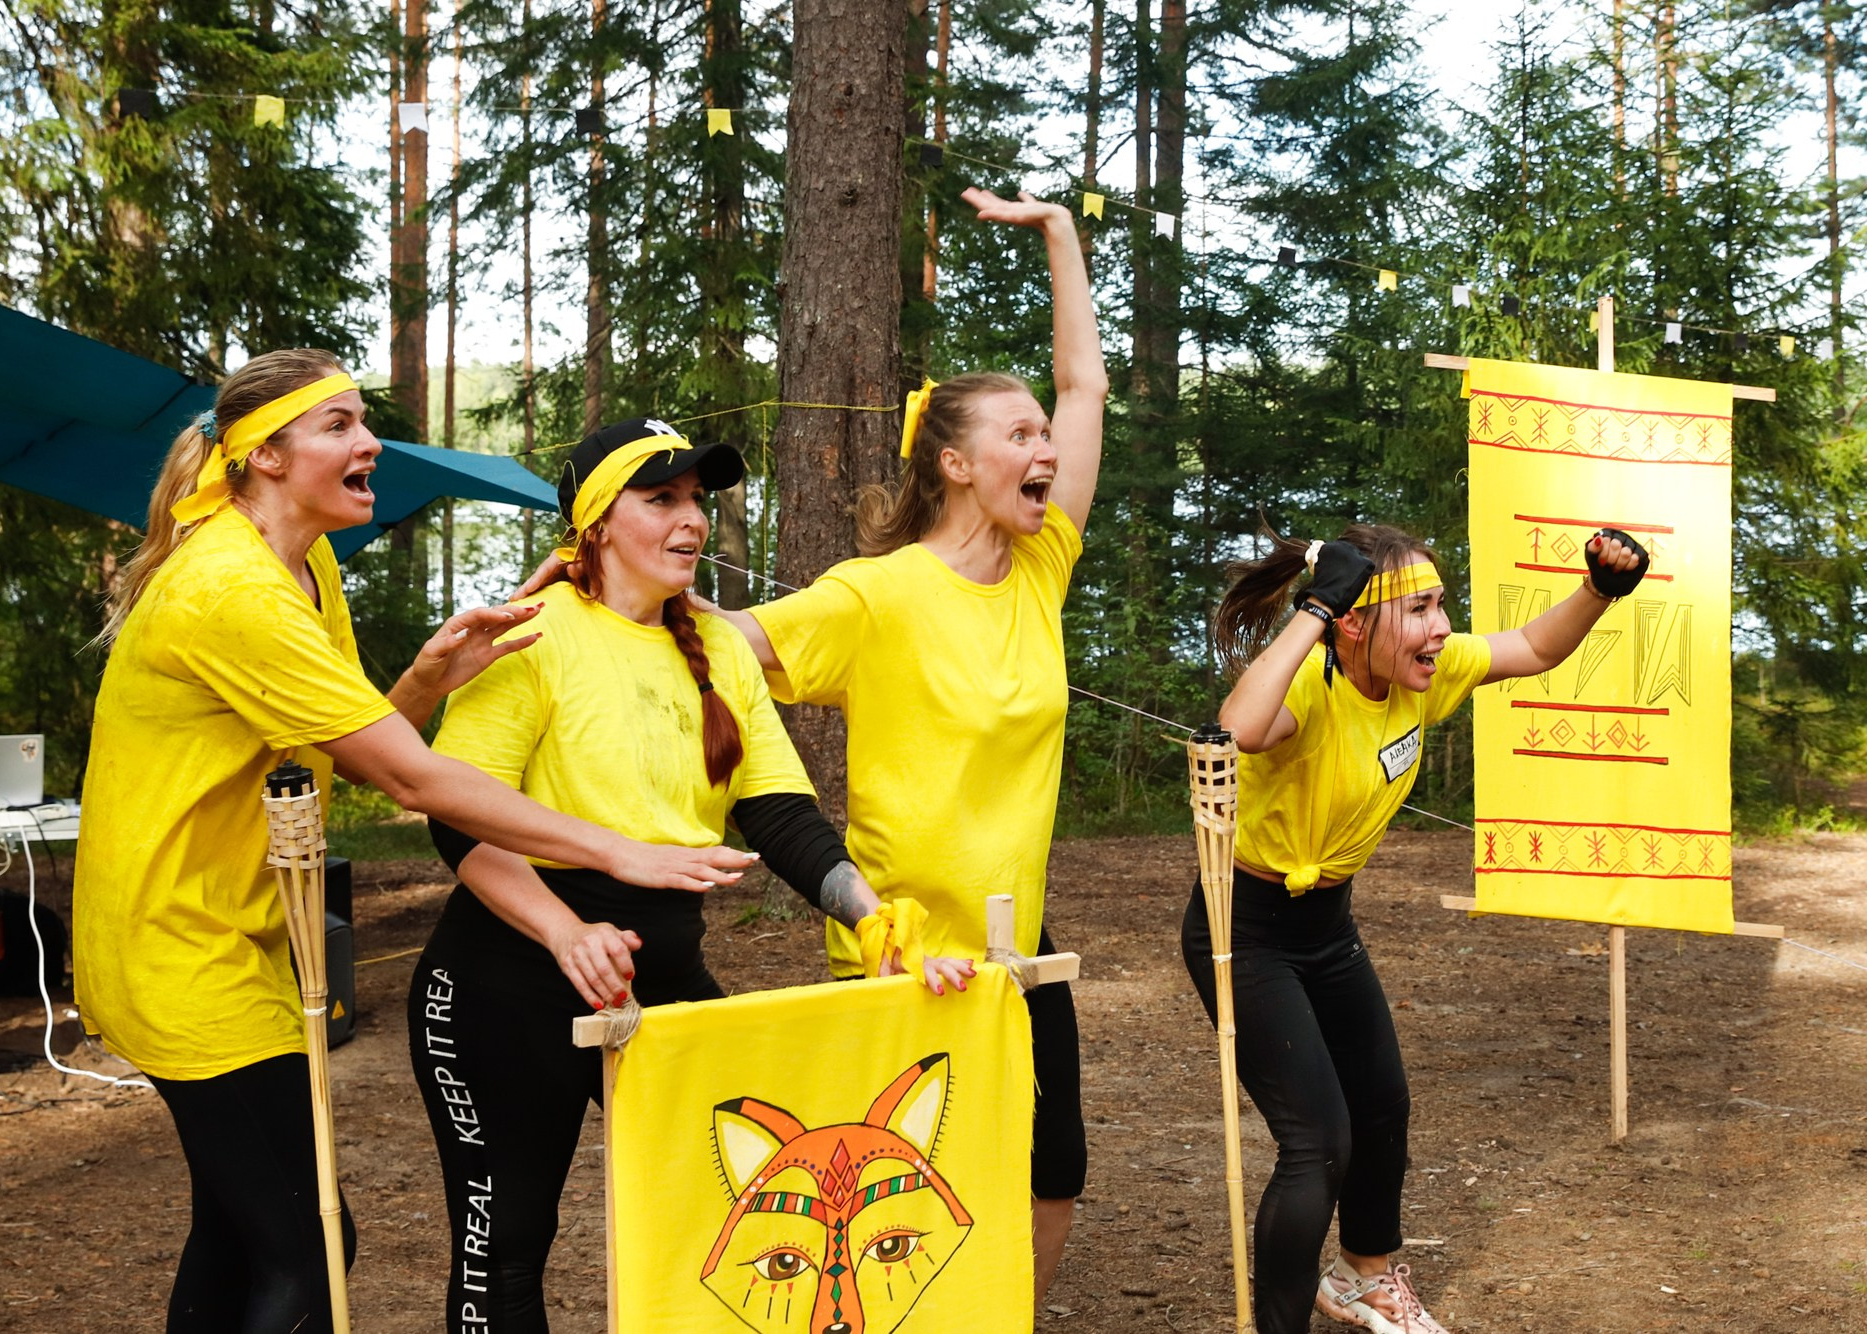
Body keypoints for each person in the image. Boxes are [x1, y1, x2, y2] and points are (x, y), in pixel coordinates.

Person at [73, 352, 757, 1334]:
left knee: (237, 1230)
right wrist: (616, 852)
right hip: (176, 945)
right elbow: (413, 779)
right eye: (341, 425)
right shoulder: (231, 588)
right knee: (308, 1242)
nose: (370, 444)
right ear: (265, 455)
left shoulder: (300, 563)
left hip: (234, 932)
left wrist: (431, 676)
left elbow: (348, 753)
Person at [409, 417, 972, 1334]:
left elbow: (781, 817)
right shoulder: (527, 635)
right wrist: (565, 930)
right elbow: (455, 817)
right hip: (504, 981)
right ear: (595, 523)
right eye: (661, 498)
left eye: (699, 502)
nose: (692, 520)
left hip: (661, 977)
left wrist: (871, 916)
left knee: (742, 1214)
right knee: (508, 1236)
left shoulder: (715, 652)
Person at [701, 187, 1107, 1300]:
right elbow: (718, 640)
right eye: (1016, 434)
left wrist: (1058, 237)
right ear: (955, 464)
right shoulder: (869, 598)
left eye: (1042, 435)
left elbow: (1086, 385)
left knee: (1050, 1162)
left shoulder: (1041, 566)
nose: (1044, 447)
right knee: (906, 1184)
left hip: (1019, 943)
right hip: (896, 953)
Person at [1189, 522, 1651, 1334]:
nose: (1442, 627)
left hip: (1327, 926)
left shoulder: (1421, 680)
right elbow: (1242, 727)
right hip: (1246, 928)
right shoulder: (1310, 689)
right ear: (1355, 623)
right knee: (1318, 1143)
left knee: (1382, 1106)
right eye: (1420, 609)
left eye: (1442, 605)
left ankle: (1364, 1277)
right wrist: (1316, 609)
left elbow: (1534, 649)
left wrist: (1599, 590)